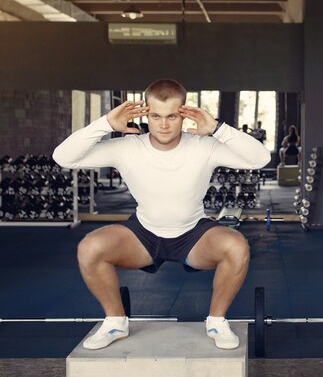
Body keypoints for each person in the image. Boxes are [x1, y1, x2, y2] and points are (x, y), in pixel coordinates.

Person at [53, 79, 270, 350]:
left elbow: (260, 159)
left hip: (194, 235)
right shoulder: (128, 148)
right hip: (143, 234)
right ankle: (115, 322)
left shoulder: (204, 146)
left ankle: (216, 321)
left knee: (237, 246)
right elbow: (64, 157)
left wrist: (216, 129)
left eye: (171, 116)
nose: (163, 125)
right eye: (155, 116)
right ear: (146, 113)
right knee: (90, 247)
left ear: (184, 114)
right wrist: (105, 124)